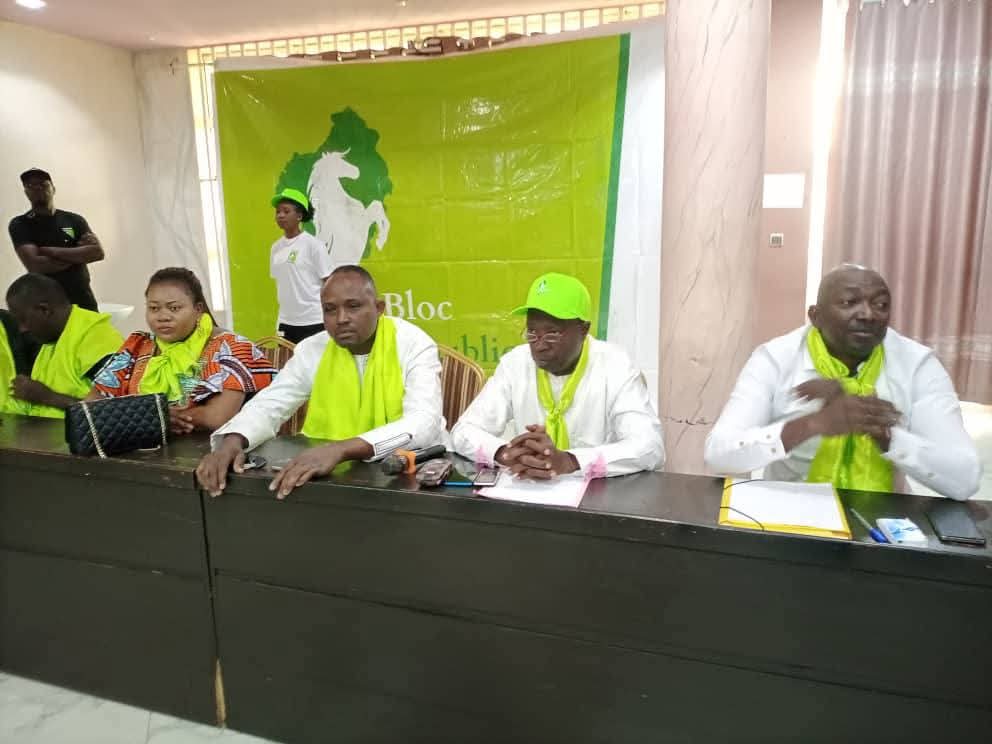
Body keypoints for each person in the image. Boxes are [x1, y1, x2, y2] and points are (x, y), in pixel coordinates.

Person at [704, 264, 981, 501]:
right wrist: (813, 425)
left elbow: (965, 478)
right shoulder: (776, 359)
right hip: (789, 512)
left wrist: (885, 436)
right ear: (815, 316)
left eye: (880, 305)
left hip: (884, 518)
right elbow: (719, 455)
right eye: (849, 302)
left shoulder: (917, 365)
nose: (868, 314)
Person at [196, 265, 444, 499]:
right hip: (333, 473)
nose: (342, 318)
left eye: (353, 306)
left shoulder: (412, 343)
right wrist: (231, 442)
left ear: (379, 308)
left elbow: (424, 422)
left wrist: (341, 449)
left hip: (409, 474)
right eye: (330, 309)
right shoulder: (313, 349)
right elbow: (271, 403)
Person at [450, 273, 665, 479]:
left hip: (600, 494)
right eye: (532, 332)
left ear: (583, 329)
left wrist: (570, 461)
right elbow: (463, 431)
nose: (539, 345)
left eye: (552, 333)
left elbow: (650, 446)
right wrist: (504, 453)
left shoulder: (615, 365)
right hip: (530, 492)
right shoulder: (515, 363)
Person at [90, 268, 277, 435]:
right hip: (142, 452)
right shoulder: (138, 347)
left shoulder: (231, 347)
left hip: (219, 452)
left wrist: (149, 417)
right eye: (154, 308)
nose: (163, 317)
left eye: (174, 308)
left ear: (198, 309)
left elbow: (217, 417)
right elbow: (91, 404)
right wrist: (155, 416)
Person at [3, 273, 122, 418]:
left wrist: (47, 397)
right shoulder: (50, 341)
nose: (22, 329)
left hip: (79, 433)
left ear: (44, 310)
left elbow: (114, 413)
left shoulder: (96, 337)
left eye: (23, 320)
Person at [8, 168, 104, 311]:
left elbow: (97, 253)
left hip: (83, 299)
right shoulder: (20, 224)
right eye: (30, 186)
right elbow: (35, 265)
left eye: (43, 184)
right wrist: (78, 254)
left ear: (53, 188)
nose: (37, 188)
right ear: (26, 192)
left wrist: (51, 251)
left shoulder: (74, 220)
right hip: (47, 306)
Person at [270, 188, 335, 343]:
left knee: (316, 359)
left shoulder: (314, 245)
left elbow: (329, 282)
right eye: (278, 212)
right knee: (287, 358)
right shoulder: (275, 248)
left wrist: (331, 314)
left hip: (314, 320)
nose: (280, 215)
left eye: (286, 211)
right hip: (286, 321)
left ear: (299, 216)